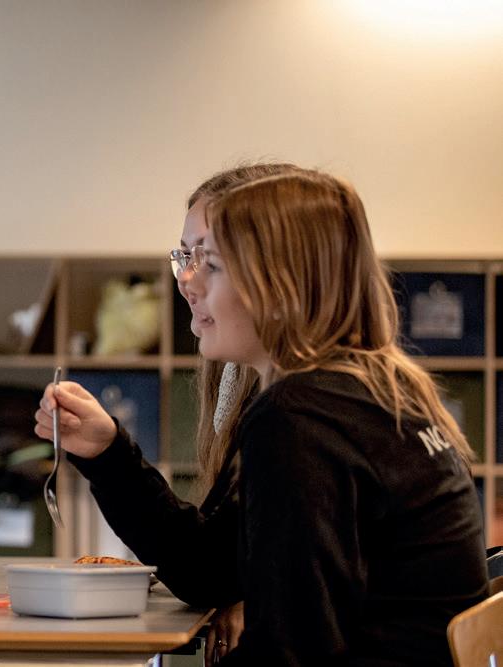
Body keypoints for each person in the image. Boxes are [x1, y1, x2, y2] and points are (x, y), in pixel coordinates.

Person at [40, 169, 487, 665]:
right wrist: (107, 452)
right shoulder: (365, 393)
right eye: (186, 259)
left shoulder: (303, 417)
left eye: (211, 264)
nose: (187, 280)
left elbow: (294, 651)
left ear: (282, 287)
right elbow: (211, 569)